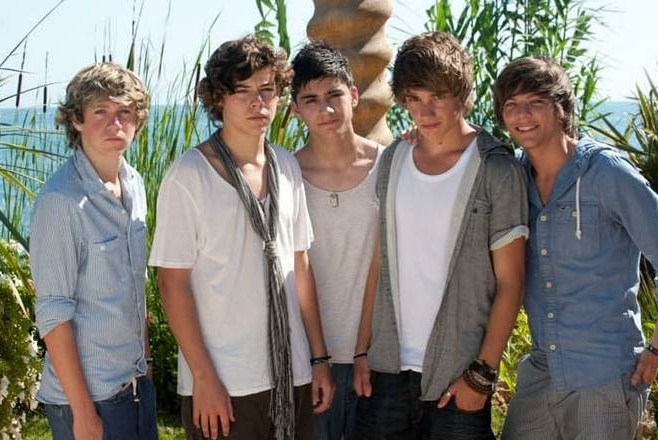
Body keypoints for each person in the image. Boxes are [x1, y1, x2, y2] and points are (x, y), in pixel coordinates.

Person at [495, 56, 658, 440]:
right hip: (541, 373)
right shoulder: (513, 176)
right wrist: (418, 139)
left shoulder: (607, 173)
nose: (522, 115)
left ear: (561, 108)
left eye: (535, 103)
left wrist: (656, 351)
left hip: (604, 378)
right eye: (511, 105)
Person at [149, 36, 334, 440]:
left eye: (267, 89)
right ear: (219, 99)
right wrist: (204, 378)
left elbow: (300, 266)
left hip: (292, 374)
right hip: (225, 383)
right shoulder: (188, 176)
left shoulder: (287, 166)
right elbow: (172, 284)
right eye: (242, 91)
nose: (258, 103)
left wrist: (319, 358)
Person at [352, 31, 528, 439]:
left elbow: (512, 282)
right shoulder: (394, 159)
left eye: (437, 96)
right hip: (386, 370)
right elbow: (379, 261)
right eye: (414, 98)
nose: (425, 111)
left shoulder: (496, 169)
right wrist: (361, 350)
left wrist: (482, 375)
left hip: (458, 373)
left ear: (461, 93)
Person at [30, 63, 156, 440]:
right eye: (100, 111)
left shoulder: (134, 184)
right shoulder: (60, 200)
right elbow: (53, 312)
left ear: (137, 120)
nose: (115, 123)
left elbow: (136, 285)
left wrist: (147, 363)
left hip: (135, 385)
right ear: (77, 120)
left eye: (124, 112)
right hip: (88, 400)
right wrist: (84, 413)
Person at [290, 40, 383, 440]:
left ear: (354, 95)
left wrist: (365, 349)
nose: (325, 109)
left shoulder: (389, 164)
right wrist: (316, 358)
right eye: (310, 100)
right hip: (307, 357)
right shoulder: (285, 174)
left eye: (334, 95)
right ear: (295, 109)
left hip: (377, 355)